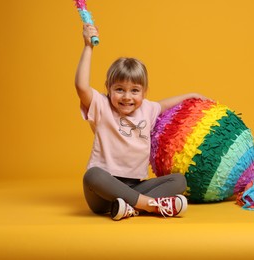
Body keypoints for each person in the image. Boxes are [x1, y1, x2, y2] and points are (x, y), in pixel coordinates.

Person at [75, 24, 207, 221]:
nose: (127, 97)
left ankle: (129, 208)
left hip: (135, 186)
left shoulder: (147, 109)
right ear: (108, 89)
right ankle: (148, 205)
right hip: (102, 194)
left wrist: (192, 95)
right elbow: (81, 86)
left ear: (144, 93)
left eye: (134, 91)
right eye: (119, 89)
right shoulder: (101, 106)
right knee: (92, 175)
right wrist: (88, 47)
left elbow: (165, 104)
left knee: (179, 181)